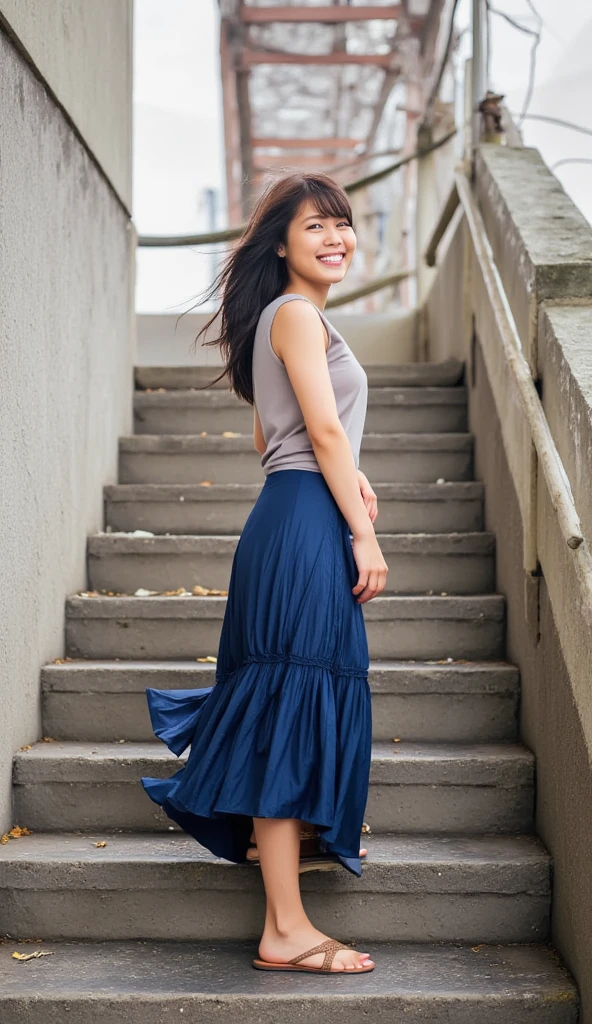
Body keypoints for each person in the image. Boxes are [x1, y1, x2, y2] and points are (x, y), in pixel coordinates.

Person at [141, 172, 389, 974]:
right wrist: (363, 532)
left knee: (290, 698)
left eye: (343, 225)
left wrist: (344, 474)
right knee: (290, 705)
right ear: (280, 242)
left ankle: (278, 857)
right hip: (305, 527)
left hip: (291, 512)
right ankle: (285, 927)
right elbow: (318, 425)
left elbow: (270, 438)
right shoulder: (295, 315)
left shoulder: (285, 320)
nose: (336, 239)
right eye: (316, 226)